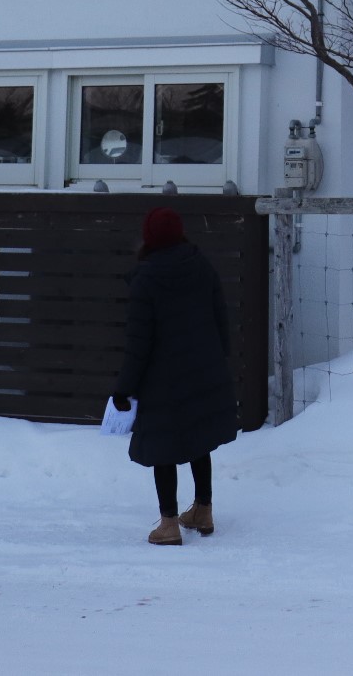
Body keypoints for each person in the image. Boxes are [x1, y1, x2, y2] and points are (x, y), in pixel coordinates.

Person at [113, 206, 239, 544]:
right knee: (200, 440)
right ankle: (203, 509)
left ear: (150, 238)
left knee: (162, 449)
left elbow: (138, 343)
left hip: (162, 379)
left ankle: (168, 524)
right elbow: (220, 319)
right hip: (203, 369)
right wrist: (219, 359)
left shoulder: (146, 278)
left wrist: (124, 388)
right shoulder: (201, 266)